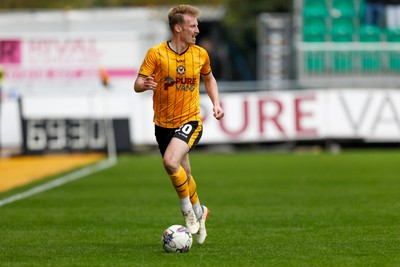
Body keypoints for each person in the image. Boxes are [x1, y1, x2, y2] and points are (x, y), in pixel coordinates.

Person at [133, 5, 224, 245]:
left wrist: (216, 103)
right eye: (192, 26)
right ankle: (199, 210)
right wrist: (145, 85)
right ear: (178, 28)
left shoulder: (200, 54)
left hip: (190, 120)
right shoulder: (156, 53)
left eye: (196, 25)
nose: (197, 30)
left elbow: (209, 78)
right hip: (163, 124)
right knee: (184, 173)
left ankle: (187, 212)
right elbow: (138, 83)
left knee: (170, 162)